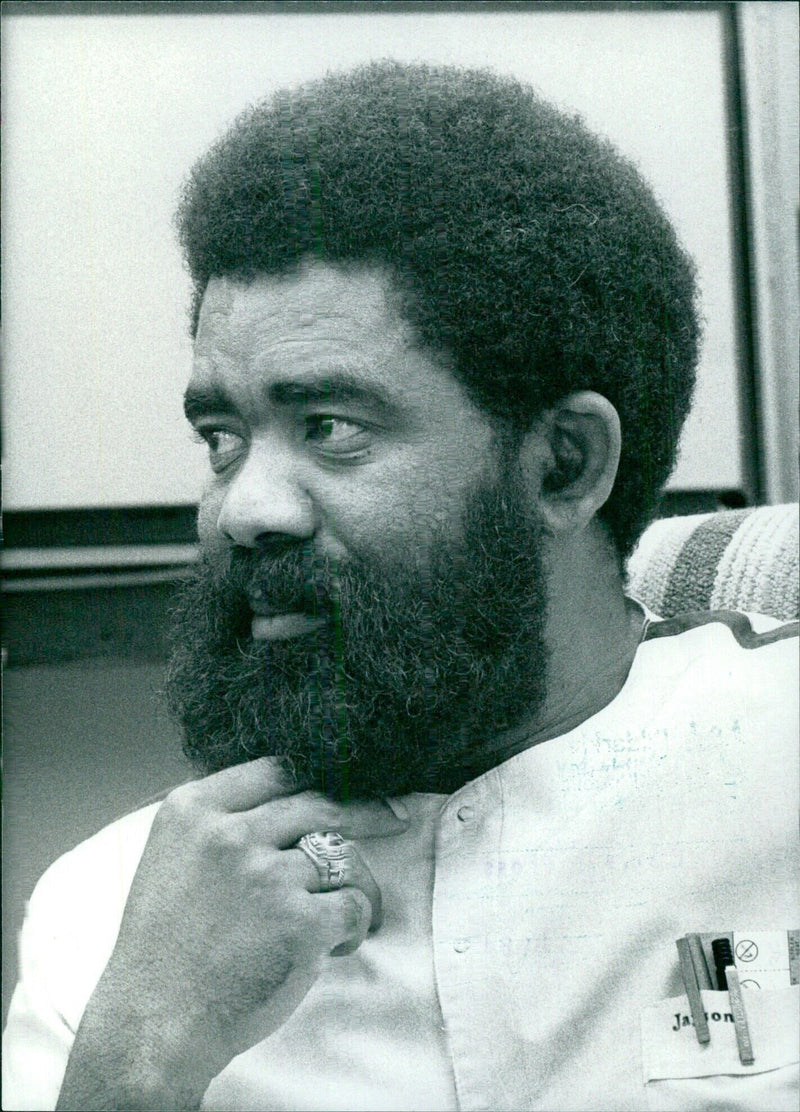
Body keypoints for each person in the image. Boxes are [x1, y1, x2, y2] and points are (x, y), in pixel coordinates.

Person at [3, 61, 797, 1112]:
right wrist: (139, 1061)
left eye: (329, 426)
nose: (245, 507)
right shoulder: (110, 917)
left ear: (560, 464)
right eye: (222, 437)